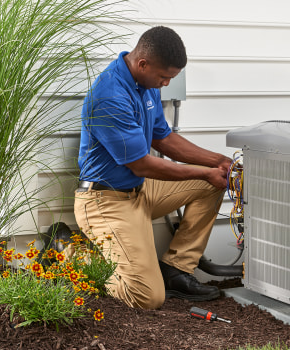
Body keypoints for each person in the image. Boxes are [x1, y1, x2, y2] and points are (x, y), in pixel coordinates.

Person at [74, 26, 232, 309]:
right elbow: (141, 164)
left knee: (210, 183)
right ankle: (69, 254)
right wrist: (203, 170)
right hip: (105, 201)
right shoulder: (110, 96)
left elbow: (164, 138)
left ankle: (177, 270)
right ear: (142, 63)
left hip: (138, 191)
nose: (166, 84)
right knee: (146, 297)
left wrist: (217, 162)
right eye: (164, 77)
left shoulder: (146, 86)